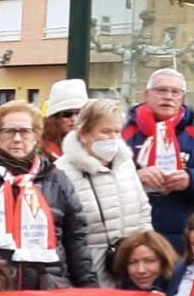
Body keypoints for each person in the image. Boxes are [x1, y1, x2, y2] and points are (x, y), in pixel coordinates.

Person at [0, 101, 95, 289]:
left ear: (36, 137)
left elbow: (76, 241)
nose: (17, 139)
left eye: (25, 131)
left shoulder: (57, 180)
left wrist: (89, 289)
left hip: (49, 290)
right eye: (9, 131)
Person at [124, 68, 194, 252]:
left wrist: (192, 180)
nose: (168, 97)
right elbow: (102, 179)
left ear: (183, 98)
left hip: (186, 237)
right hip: (133, 235)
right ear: (147, 95)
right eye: (161, 90)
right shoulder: (123, 134)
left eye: (175, 92)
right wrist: (135, 177)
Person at [55, 99, 152, 284]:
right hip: (88, 273)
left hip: (131, 270)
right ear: (83, 134)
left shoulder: (125, 164)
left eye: (117, 131)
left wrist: (145, 252)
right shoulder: (61, 172)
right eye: (105, 131)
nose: (113, 138)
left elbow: (142, 209)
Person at [112, 230, 179, 291]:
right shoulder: (121, 294)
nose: (141, 270)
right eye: (132, 262)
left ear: (164, 262)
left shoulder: (183, 292)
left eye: (149, 261)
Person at [40, 79, 88, 159]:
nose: (74, 119)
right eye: (67, 114)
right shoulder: (46, 149)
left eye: (79, 113)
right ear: (55, 118)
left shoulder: (94, 142)